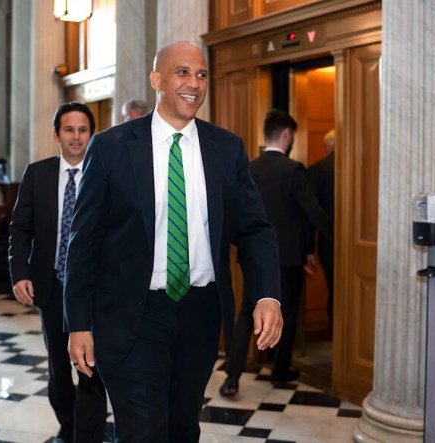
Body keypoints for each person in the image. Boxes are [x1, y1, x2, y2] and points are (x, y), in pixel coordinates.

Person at [64, 41, 283, 443]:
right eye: (182, 72)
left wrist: (267, 295)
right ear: (157, 80)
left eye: (201, 75)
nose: (194, 83)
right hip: (132, 315)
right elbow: (84, 242)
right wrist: (78, 322)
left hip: (199, 315)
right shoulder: (112, 148)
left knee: (182, 428)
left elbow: (254, 229)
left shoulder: (227, 149)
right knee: (143, 431)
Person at [8, 102, 107, 443]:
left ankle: (89, 435)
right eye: (69, 129)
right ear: (56, 135)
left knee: (91, 366)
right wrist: (20, 272)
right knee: (59, 368)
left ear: (91, 135)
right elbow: (20, 229)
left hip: (95, 290)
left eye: (83, 130)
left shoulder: (105, 173)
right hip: (51, 288)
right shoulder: (38, 174)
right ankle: (68, 423)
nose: (76, 137)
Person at [219, 110, 333, 397]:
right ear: (286, 135)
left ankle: (232, 377)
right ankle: (279, 371)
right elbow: (311, 213)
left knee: (247, 312)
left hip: (254, 256)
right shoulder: (294, 170)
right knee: (287, 312)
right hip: (288, 258)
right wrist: (336, 237)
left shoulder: (250, 168)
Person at [307, 129, 335, 328]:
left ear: (328, 146)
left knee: (333, 289)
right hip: (354, 244)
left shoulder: (315, 171)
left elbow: (311, 214)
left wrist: (308, 248)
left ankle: (334, 330)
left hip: (327, 243)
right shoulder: (359, 168)